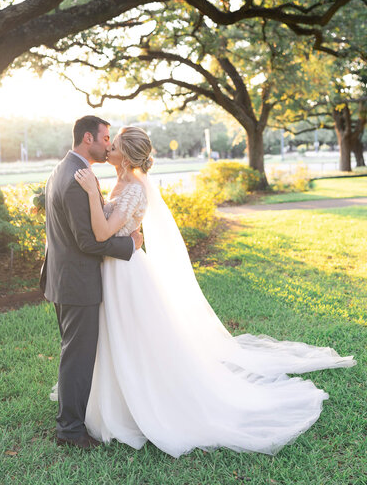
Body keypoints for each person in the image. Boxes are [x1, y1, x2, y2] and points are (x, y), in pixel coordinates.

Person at [70, 124, 356, 458]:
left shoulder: (134, 188)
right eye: (109, 143)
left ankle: (142, 403)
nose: (108, 149)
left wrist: (92, 194)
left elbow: (103, 231)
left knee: (133, 338)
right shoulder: (119, 180)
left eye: (114, 145)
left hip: (126, 274)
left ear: (125, 156)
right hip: (113, 269)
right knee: (114, 336)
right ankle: (110, 397)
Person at [40, 116, 143, 450]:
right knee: (78, 357)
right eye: (105, 138)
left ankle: (76, 418)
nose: (108, 144)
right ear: (88, 138)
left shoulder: (64, 169)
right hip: (77, 282)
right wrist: (131, 245)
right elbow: (89, 241)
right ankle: (69, 431)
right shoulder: (77, 178)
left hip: (64, 277)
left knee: (76, 353)